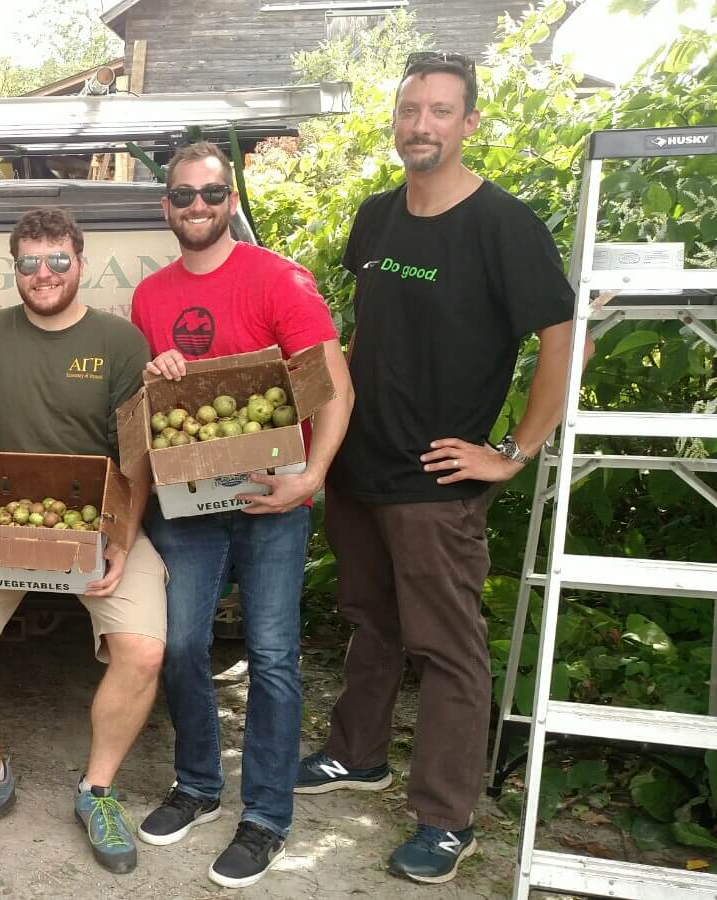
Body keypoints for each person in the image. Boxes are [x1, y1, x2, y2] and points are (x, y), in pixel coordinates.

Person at [293, 51, 585, 885]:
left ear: (469, 123)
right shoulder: (376, 218)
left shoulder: (504, 226)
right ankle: (358, 754)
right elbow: (360, 340)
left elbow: (561, 337)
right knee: (369, 621)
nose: (420, 124)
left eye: (439, 111)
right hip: (359, 465)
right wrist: (323, 429)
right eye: (410, 108)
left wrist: (511, 453)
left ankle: (445, 818)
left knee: (448, 647)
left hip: (436, 479)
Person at [129, 142, 354, 888]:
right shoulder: (150, 296)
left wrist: (310, 480)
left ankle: (266, 816)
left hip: (273, 497)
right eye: (184, 196)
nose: (198, 207)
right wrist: (155, 373)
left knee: (274, 659)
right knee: (183, 646)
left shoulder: (279, 279)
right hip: (189, 503)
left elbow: (335, 388)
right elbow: (160, 408)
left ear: (232, 201)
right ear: (166, 207)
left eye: (212, 194)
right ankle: (197, 784)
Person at [0, 207, 165, 875]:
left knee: (141, 651)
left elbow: (134, 459)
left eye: (58, 260)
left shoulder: (120, 341)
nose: (45, 273)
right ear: (14, 268)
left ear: (80, 264)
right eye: (30, 262)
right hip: (1, 523)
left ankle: (98, 790)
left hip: (97, 525)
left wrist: (122, 538)